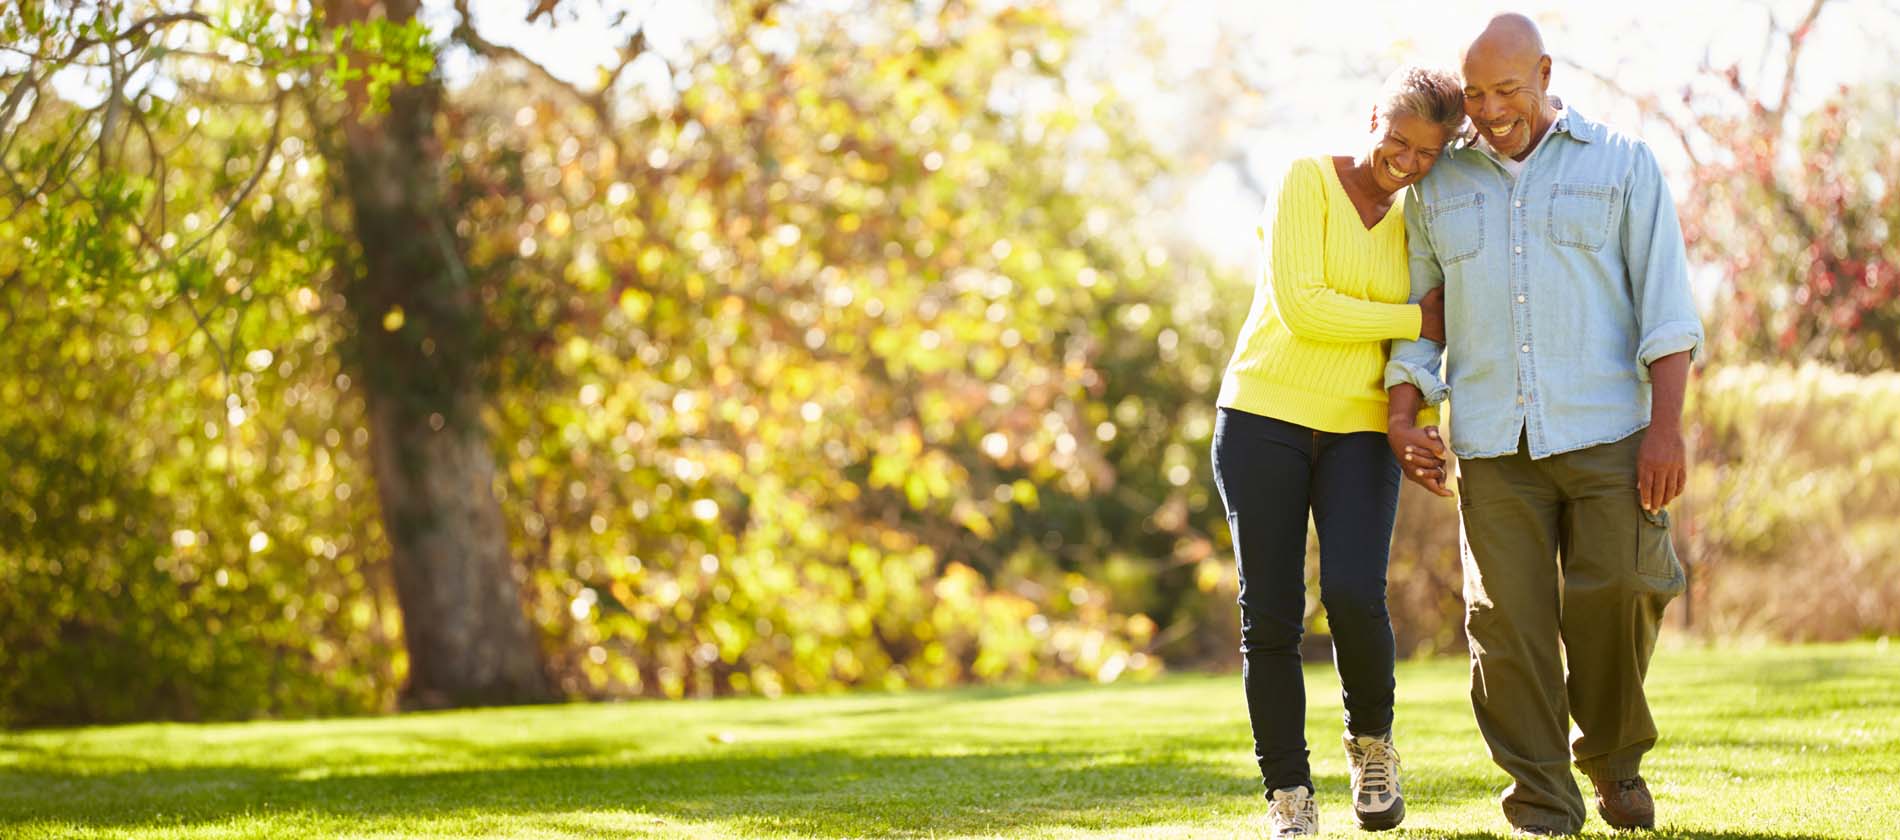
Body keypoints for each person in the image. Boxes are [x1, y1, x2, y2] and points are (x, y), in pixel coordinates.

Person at [1384, 13, 1703, 837]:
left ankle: (1613, 759)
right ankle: (1541, 804)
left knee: (1625, 589)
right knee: (1506, 630)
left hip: (1610, 430)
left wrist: (1667, 428)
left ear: (1546, 74)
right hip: (1494, 442)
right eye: (1476, 94)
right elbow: (1422, 313)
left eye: (1508, 90)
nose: (1492, 111)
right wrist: (1404, 410)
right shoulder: (1437, 186)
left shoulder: (1622, 162)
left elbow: (1667, 306)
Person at [1211, 66, 1465, 839]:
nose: (1408, 162)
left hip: (1361, 427)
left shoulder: (1421, 218)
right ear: (1372, 118)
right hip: (1264, 416)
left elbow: (1431, 333)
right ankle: (1289, 794)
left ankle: (1372, 748)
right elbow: (1304, 306)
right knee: (1272, 614)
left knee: (1355, 594)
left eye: (1428, 153)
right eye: (1398, 141)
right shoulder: (1306, 181)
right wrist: (1410, 318)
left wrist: (1423, 409)